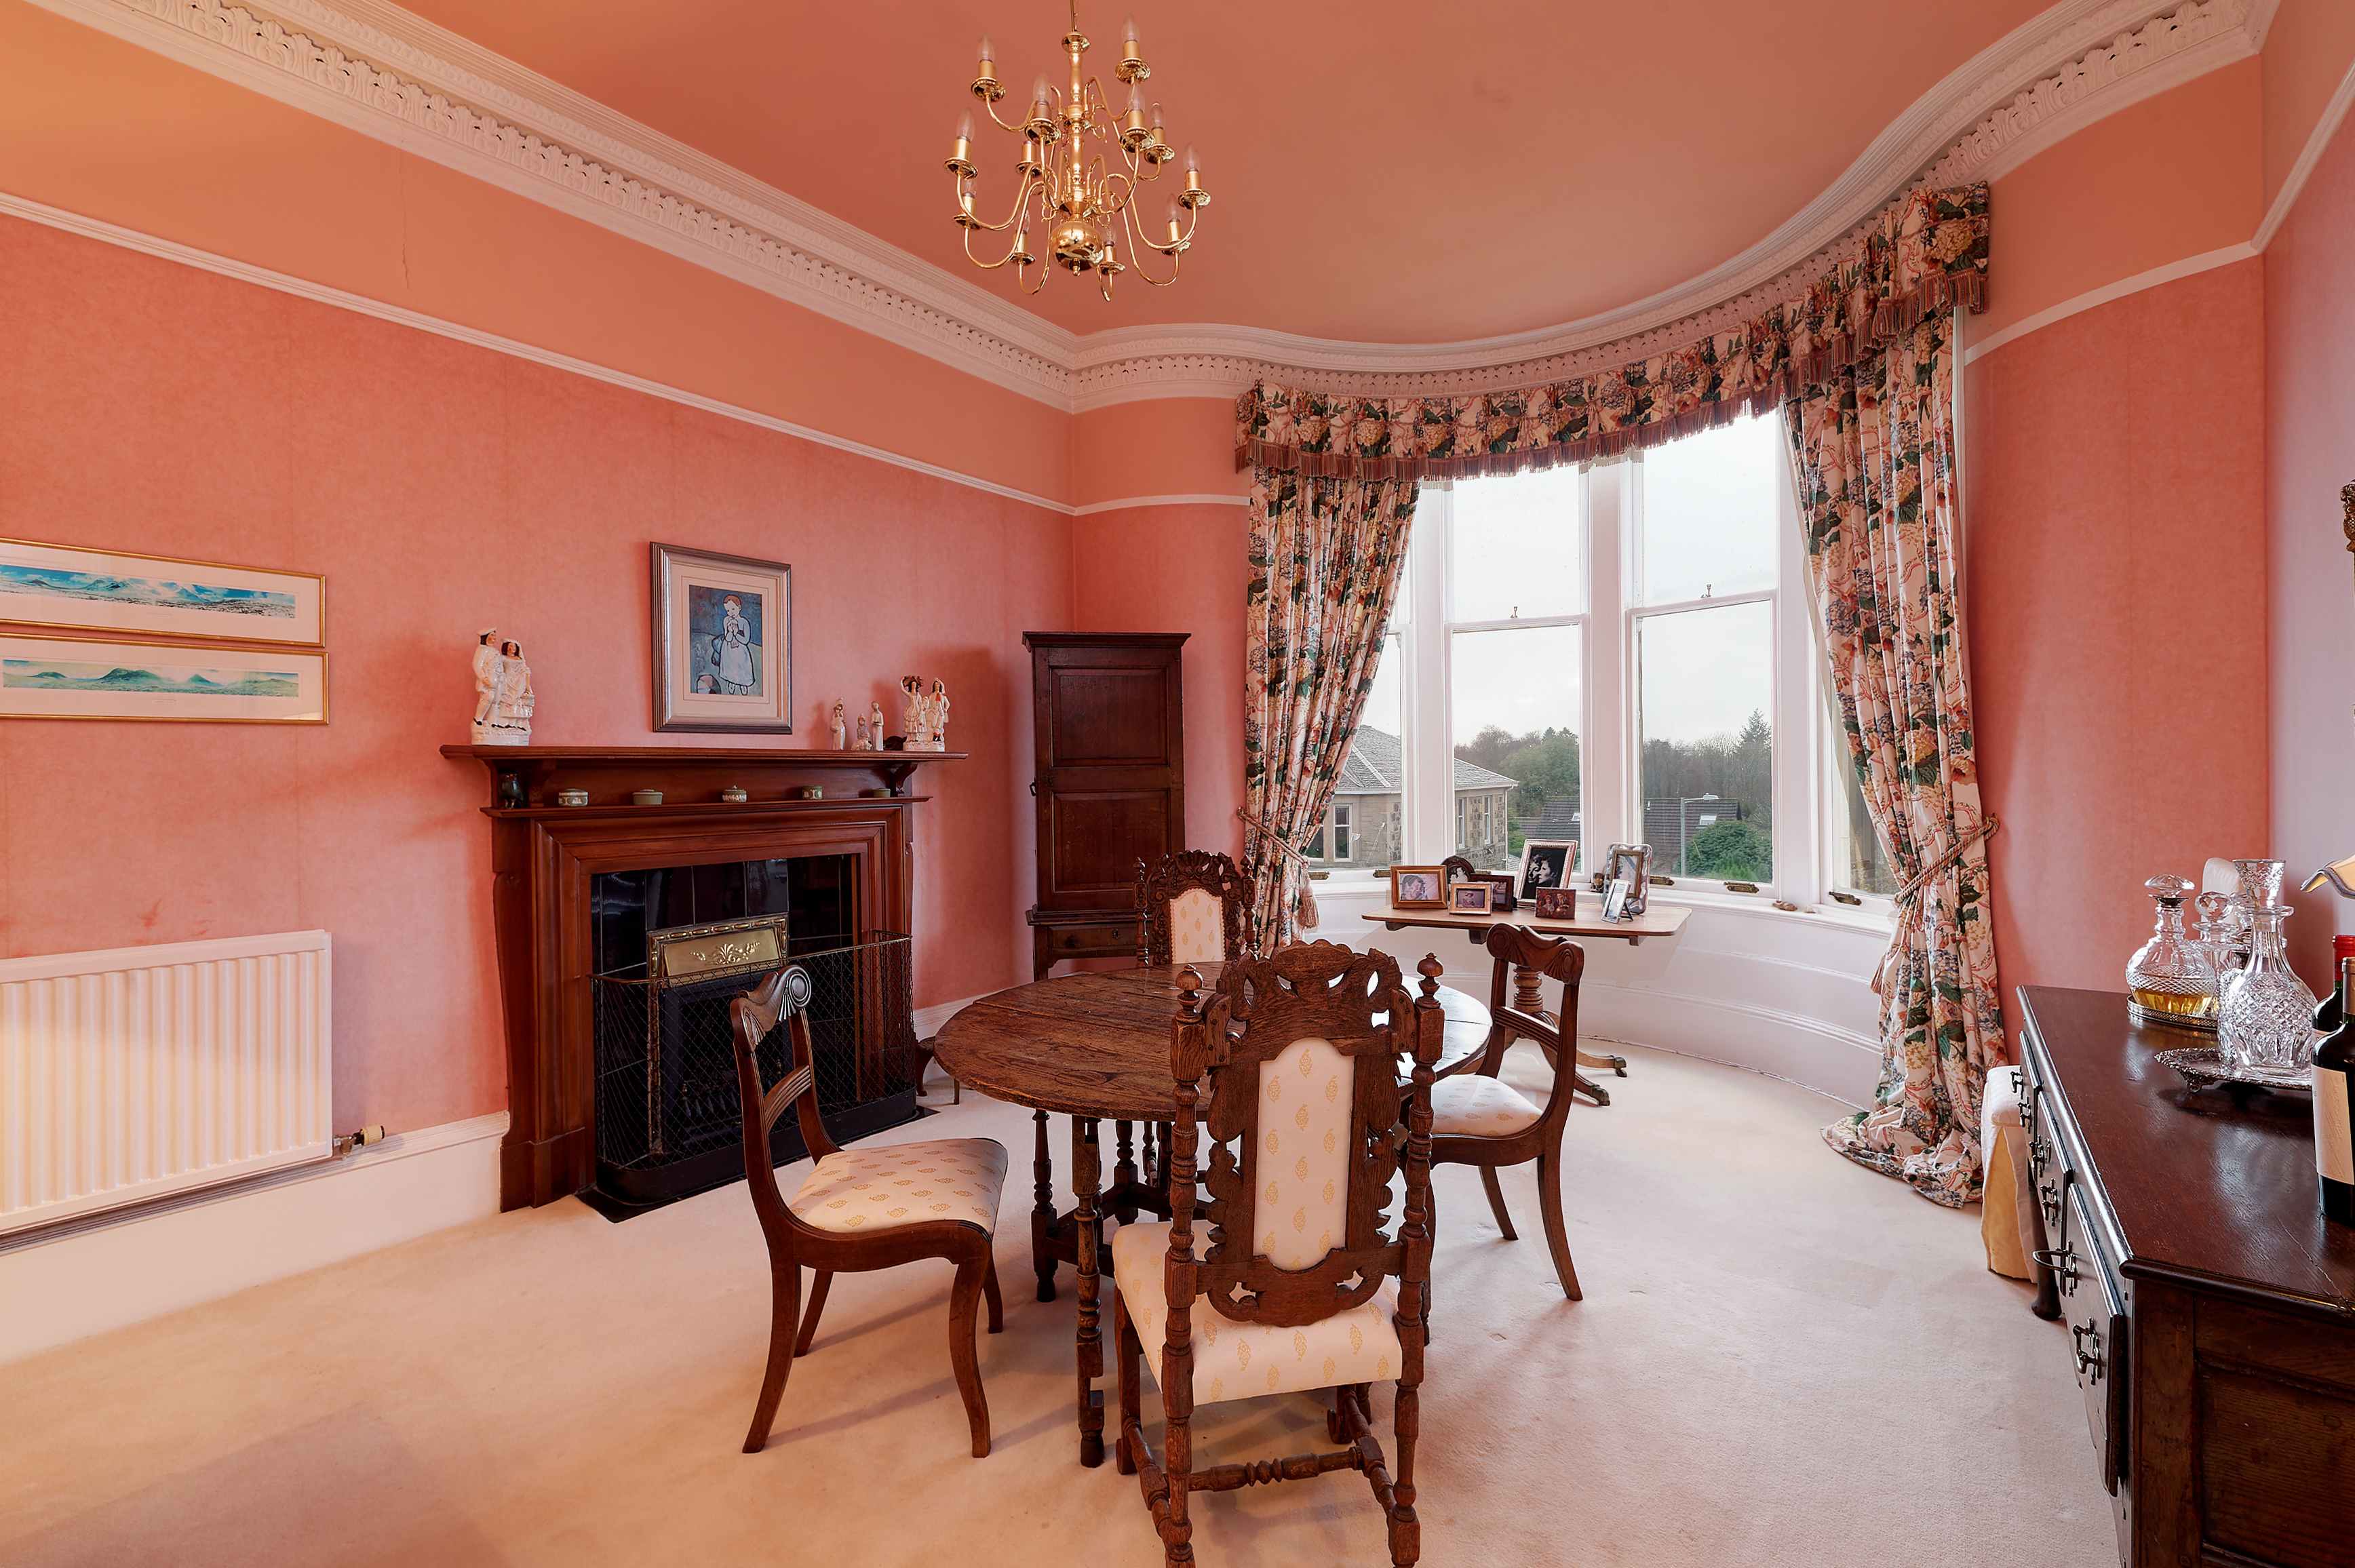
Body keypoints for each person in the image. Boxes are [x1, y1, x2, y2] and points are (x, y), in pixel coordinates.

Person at [471, 629, 534, 745]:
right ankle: (478, 719)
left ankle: (493, 722)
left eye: (494, 635)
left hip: (500, 679)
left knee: (497, 701)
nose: (494, 638)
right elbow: (477, 664)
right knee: (488, 698)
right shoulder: (482, 649)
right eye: (492, 635)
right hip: (491, 678)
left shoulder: (494, 650)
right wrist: (482, 677)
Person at [716, 595, 755, 695]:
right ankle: (731, 681)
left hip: (741, 650)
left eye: (733, 609)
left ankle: (743, 684)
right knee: (731, 666)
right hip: (729, 649)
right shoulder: (726, 620)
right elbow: (728, 639)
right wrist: (730, 632)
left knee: (742, 666)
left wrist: (736, 633)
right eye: (728, 611)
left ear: (739, 608)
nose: (731, 613)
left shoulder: (744, 622)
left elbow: (746, 641)